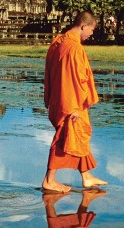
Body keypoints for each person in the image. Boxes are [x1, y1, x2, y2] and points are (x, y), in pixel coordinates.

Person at [42, 10, 107, 193]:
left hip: (59, 98)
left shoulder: (58, 42)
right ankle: (49, 180)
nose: (91, 34)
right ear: (83, 26)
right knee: (64, 138)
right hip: (71, 102)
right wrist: (77, 107)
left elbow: (50, 73)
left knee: (78, 137)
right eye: (91, 30)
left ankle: (86, 176)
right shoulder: (74, 48)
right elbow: (78, 79)